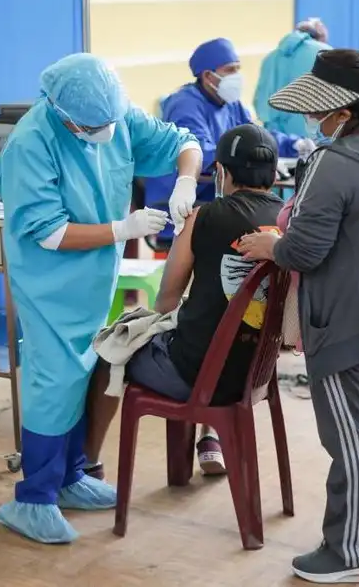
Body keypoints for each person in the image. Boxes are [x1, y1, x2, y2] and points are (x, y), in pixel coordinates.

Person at [238, 49, 359, 584]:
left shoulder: (335, 161)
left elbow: (304, 251)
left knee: (352, 438)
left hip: (351, 324)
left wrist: (269, 244)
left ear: (341, 112)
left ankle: (351, 550)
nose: (312, 121)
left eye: (317, 111)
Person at [0, 53, 202, 545]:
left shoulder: (116, 115)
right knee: (54, 377)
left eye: (111, 121)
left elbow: (183, 142)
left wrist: (186, 178)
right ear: (64, 115)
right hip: (49, 281)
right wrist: (122, 229)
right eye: (94, 125)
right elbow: (47, 231)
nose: (107, 131)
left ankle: (69, 477)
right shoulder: (32, 141)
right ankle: (33, 498)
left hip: (92, 279)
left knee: (84, 370)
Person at [82, 123, 284, 479]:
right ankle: (209, 442)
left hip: (197, 376)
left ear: (220, 172)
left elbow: (166, 299)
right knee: (215, 329)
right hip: (257, 372)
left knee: (109, 353)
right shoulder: (289, 222)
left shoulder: (204, 218)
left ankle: (89, 466)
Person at [148, 37, 313, 232]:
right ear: (208, 76)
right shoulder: (185, 105)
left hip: (223, 196)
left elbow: (256, 136)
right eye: (230, 70)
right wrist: (251, 160)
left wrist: (293, 145)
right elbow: (199, 152)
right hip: (189, 202)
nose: (236, 76)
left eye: (237, 69)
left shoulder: (231, 103)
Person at [254, 19, 332, 136]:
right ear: (321, 38)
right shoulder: (326, 54)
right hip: (315, 137)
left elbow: (260, 104)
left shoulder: (270, 58)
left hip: (277, 139)